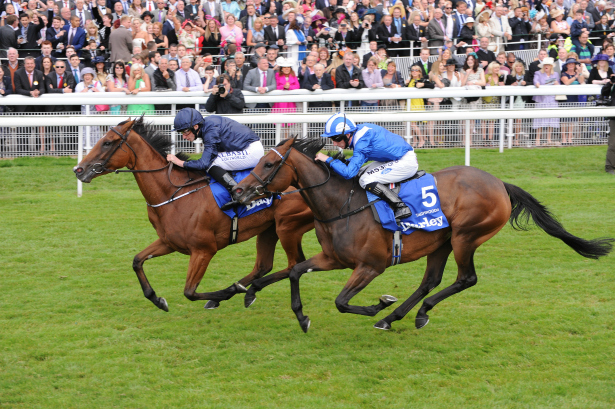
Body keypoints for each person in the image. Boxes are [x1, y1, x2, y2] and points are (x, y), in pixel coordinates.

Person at [314, 114, 418, 222]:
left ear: (348, 135)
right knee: (360, 173)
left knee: (365, 179)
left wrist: (329, 160)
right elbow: (354, 164)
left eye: (336, 138)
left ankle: (400, 207)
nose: (334, 143)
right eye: (332, 139)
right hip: (394, 159)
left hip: (405, 162)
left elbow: (348, 173)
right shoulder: (359, 133)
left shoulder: (362, 141)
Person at [166, 108, 263, 209]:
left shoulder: (210, 130)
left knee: (212, 163)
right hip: (247, 147)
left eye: (185, 132)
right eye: (181, 133)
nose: (184, 137)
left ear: (195, 127)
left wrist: (180, 162)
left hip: (251, 151)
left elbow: (204, 163)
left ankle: (238, 194)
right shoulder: (208, 126)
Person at [533, 57, 560, 146]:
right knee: (539, 118)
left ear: (551, 66)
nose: (546, 66)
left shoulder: (555, 74)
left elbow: (558, 84)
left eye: (548, 65)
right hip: (542, 98)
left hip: (552, 98)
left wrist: (556, 84)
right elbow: (535, 80)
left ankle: (549, 139)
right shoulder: (538, 73)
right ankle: (538, 139)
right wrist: (537, 84)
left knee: (551, 118)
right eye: (545, 65)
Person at [560, 57, 585, 145]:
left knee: (572, 119)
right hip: (565, 98)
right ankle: (563, 139)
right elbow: (566, 82)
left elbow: (581, 81)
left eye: (573, 64)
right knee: (564, 120)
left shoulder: (577, 73)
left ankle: (570, 138)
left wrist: (580, 72)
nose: (571, 65)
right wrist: (575, 76)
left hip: (574, 98)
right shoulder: (563, 74)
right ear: (567, 65)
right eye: (569, 64)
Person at [600, 74, 615, 175]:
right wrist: (610, 82)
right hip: (614, 116)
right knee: (613, 143)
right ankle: (609, 166)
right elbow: (604, 92)